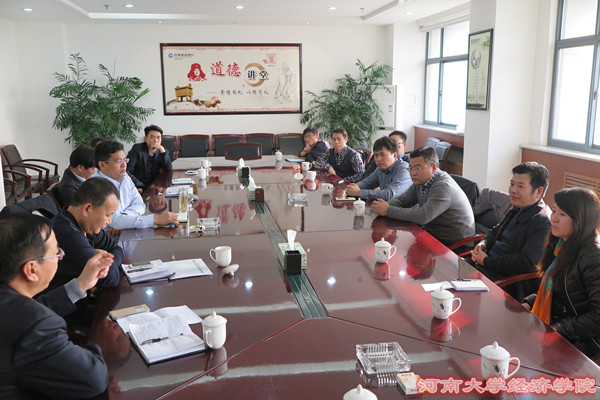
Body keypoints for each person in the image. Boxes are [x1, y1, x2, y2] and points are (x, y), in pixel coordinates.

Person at [0, 213, 109, 399]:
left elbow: (26, 313)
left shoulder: (12, 305)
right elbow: (94, 379)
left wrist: (81, 284)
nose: (60, 257)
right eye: (57, 252)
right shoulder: (34, 327)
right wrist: (96, 344)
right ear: (32, 269)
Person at [522, 187, 600, 359]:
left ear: (581, 219)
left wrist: (558, 329)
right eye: (554, 210)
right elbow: (558, 291)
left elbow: (597, 317)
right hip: (560, 323)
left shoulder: (593, 256)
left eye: (562, 214)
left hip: (584, 339)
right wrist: (530, 302)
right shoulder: (560, 245)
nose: (554, 218)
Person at [471, 162, 551, 300]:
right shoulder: (517, 208)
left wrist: (486, 261)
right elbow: (495, 231)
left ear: (538, 191)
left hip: (506, 282)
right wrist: (484, 244)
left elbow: (526, 262)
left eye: (520, 186)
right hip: (486, 268)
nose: (513, 190)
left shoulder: (542, 221)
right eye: (512, 184)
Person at [371, 146, 475, 247]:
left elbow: (422, 216)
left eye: (418, 168)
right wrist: (383, 206)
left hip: (455, 242)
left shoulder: (443, 187)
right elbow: (403, 200)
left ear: (433, 167)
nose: (413, 173)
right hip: (434, 234)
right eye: (411, 168)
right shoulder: (421, 181)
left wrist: (387, 210)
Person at [49, 177, 124, 293]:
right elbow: (111, 278)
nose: (109, 221)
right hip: (65, 304)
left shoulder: (86, 224)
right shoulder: (68, 235)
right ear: (87, 209)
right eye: (108, 215)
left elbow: (117, 249)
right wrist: (105, 260)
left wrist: (105, 260)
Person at [94, 140, 178, 230]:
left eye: (125, 160)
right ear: (102, 165)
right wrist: (156, 219)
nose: (124, 165)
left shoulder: (124, 176)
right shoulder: (95, 186)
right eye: (118, 161)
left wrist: (125, 218)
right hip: (107, 236)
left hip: (126, 231)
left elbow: (140, 204)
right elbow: (113, 221)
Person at [345, 136, 411, 201]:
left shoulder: (404, 169)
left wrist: (359, 192)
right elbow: (366, 183)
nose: (378, 159)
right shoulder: (380, 169)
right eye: (376, 155)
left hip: (403, 208)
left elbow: (390, 194)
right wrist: (353, 188)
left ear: (394, 155)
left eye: (382, 155)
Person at [126, 125, 173, 191]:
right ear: (146, 139)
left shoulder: (163, 151)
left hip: (155, 187)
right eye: (152, 137)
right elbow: (127, 171)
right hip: (138, 186)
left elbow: (168, 170)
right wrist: (139, 185)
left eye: (158, 137)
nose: (156, 140)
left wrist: (162, 151)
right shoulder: (137, 149)